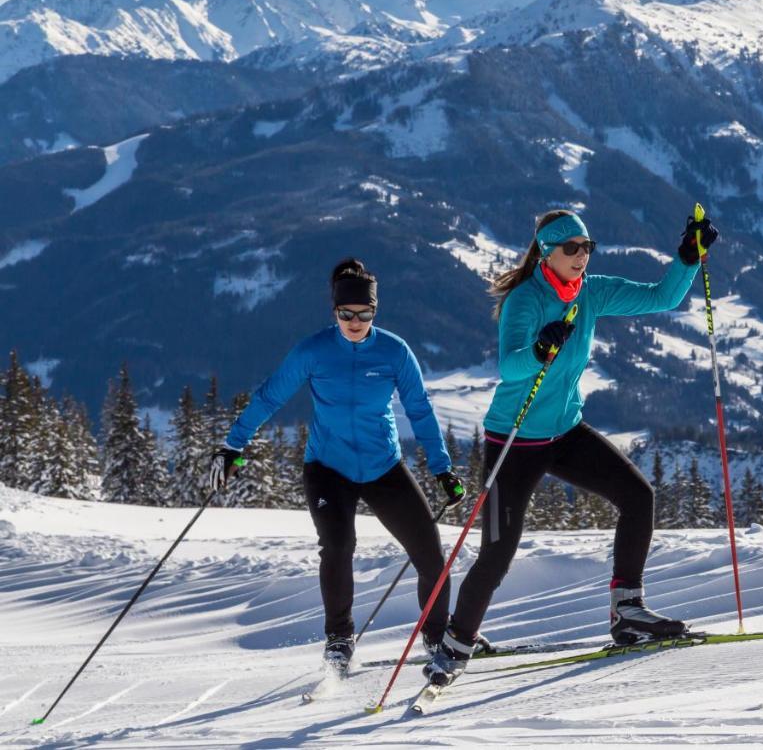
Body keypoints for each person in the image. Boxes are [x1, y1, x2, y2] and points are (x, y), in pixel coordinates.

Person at [424, 208, 718, 688]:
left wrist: (688, 257)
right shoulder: (526, 301)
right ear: (547, 252)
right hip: (514, 440)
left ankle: (628, 612)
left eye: (588, 247)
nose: (583, 256)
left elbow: (660, 297)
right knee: (498, 553)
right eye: (572, 248)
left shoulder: (592, 291)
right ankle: (454, 645)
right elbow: (510, 367)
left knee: (638, 497)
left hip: (565, 432)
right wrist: (539, 351)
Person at [207, 258, 467, 675]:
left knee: (430, 553)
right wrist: (231, 446)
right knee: (339, 547)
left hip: (383, 466)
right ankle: (340, 640)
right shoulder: (313, 350)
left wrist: (442, 470)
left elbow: (419, 409)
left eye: (364, 314)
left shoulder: (394, 351)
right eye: (347, 314)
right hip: (329, 468)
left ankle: (437, 636)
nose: (355, 321)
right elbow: (270, 396)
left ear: (374, 312)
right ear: (335, 312)